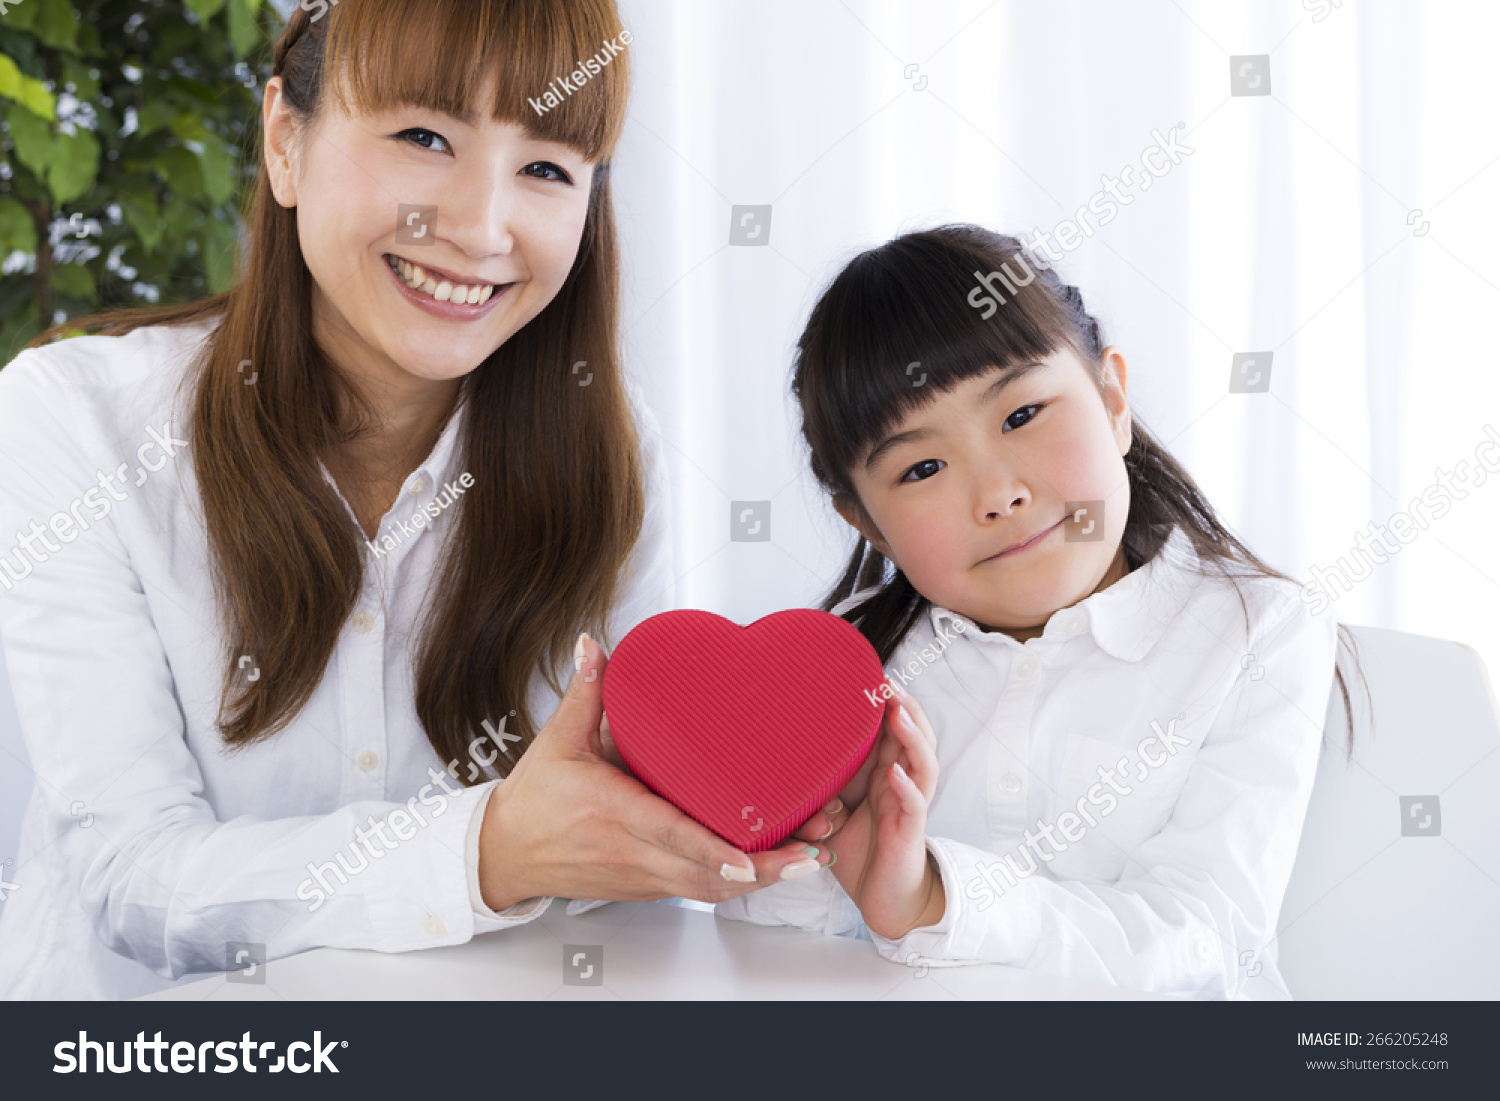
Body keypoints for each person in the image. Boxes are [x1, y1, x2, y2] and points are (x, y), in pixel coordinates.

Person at [0, 0, 836, 1000]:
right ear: (285, 140)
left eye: (545, 169)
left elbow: (626, 876)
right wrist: (486, 852)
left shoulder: (612, 450)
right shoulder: (75, 422)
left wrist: (785, 831)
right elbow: (132, 883)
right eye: (423, 137)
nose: (481, 229)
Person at [716, 225, 1366, 999]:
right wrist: (797, 846)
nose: (999, 496)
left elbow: (1200, 939)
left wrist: (935, 897)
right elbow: (768, 945)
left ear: (1113, 399)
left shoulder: (1255, 630)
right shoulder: (849, 660)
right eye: (922, 467)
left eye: (1022, 414)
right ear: (866, 522)